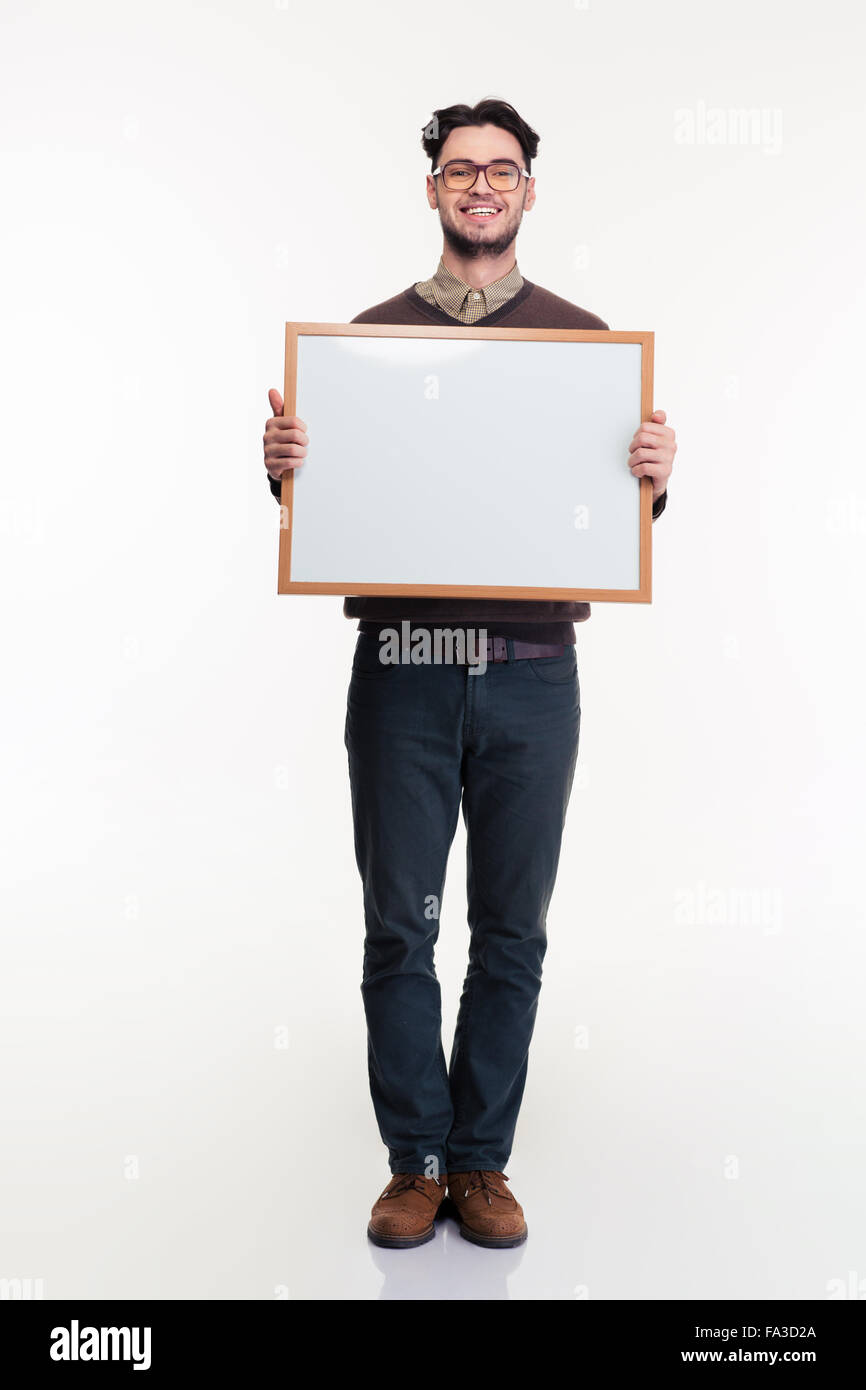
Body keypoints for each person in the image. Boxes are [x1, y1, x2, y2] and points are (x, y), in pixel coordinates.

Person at [262, 98, 676, 1250]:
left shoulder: (585, 344)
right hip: (401, 669)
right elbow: (337, 506)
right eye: (459, 169)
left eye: (500, 170)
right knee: (398, 925)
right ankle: (418, 1162)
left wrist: (648, 475)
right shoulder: (365, 342)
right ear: (433, 189)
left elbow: (608, 511)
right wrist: (288, 470)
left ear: (528, 191)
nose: (479, 186)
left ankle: (481, 1162)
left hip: (533, 675)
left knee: (509, 930)